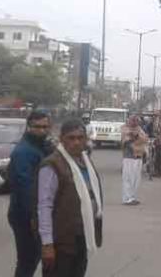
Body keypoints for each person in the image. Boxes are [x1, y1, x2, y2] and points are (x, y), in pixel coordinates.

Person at [37, 119, 103, 277]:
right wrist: (47, 244)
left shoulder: (84, 161)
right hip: (61, 239)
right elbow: (44, 206)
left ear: (86, 139)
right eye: (71, 138)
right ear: (61, 139)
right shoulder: (52, 165)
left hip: (81, 235)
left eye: (80, 138)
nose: (76, 142)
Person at [8, 111, 54, 277]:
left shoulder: (40, 146)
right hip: (25, 216)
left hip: (37, 214)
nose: (42, 130)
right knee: (28, 261)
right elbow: (25, 188)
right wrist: (35, 219)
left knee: (39, 259)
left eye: (45, 127)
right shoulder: (24, 152)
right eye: (37, 127)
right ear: (29, 127)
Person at [121, 115, 147, 205]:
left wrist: (136, 137)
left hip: (138, 157)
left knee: (136, 179)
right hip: (128, 157)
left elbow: (144, 139)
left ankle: (133, 197)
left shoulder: (140, 129)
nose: (135, 122)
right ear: (129, 121)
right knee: (128, 178)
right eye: (133, 120)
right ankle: (127, 198)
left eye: (136, 120)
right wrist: (135, 138)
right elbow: (127, 140)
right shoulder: (124, 128)